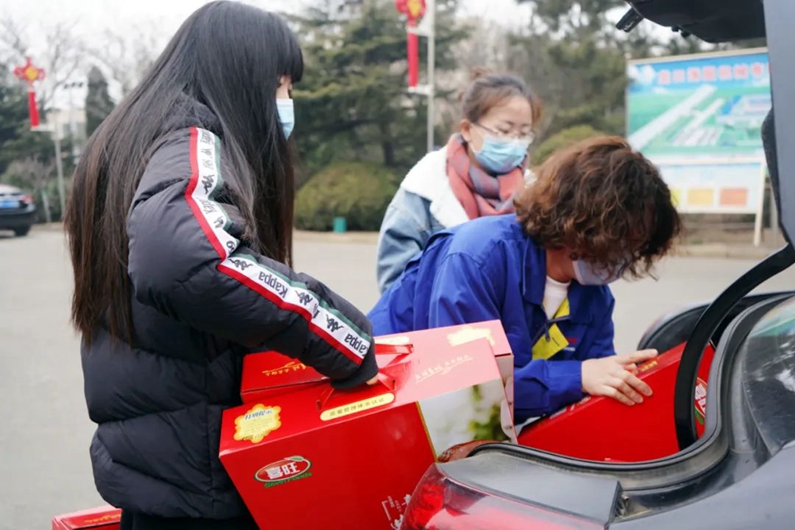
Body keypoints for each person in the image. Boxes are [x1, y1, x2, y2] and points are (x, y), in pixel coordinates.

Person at [64, 3, 377, 529]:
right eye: (281, 86)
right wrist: (341, 336)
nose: (286, 103)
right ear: (242, 77)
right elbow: (182, 259)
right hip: (202, 475)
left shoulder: (132, 140)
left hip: (164, 474)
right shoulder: (191, 140)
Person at [368, 136, 682, 424]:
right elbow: (467, 390)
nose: (626, 258)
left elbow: (597, 383)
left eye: (636, 247)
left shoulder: (594, 295)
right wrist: (576, 377)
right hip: (386, 412)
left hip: (473, 428)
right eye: (622, 242)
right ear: (583, 223)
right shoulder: (478, 258)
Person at [375, 70, 542, 293]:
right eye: (504, 130)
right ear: (467, 129)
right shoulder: (424, 190)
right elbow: (397, 288)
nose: (514, 142)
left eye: (523, 134)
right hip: (441, 315)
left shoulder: (537, 195)